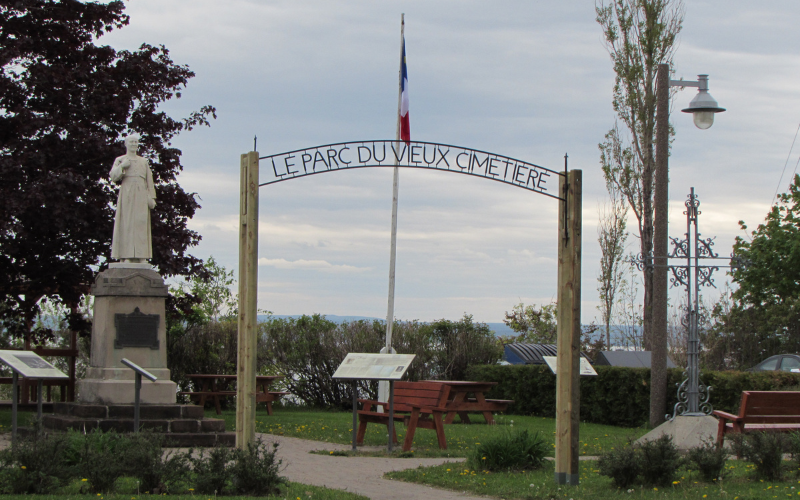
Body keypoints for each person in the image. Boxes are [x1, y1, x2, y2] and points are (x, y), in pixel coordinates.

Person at [110, 133, 156, 263]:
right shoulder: (120, 159)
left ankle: (142, 256)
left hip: (141, 194)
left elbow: (149, 180)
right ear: (126, 143)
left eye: (136, 142)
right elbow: (113, 176)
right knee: (127, 224)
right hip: (127, 193)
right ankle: (127, 256)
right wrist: (122, 167)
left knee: (141, 224)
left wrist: (151, 197)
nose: (134, 144)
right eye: (131, 142)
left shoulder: (143, 161)